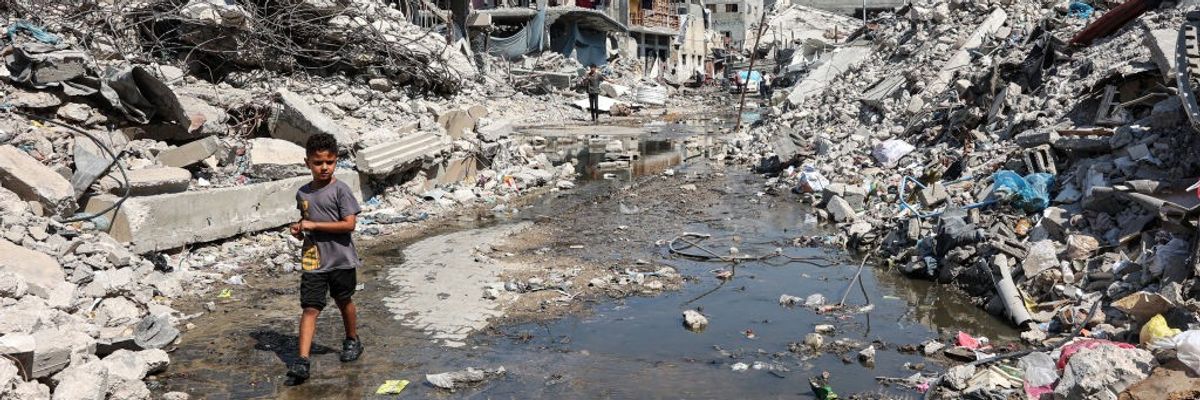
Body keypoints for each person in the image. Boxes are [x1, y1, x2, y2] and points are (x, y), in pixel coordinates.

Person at [286, 133, 364, 385]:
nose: (324, 167)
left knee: (343, 300)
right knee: (310, 307)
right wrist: (300, 229)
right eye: (318, 162)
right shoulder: (303, 193)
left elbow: (349, 224)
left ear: (336, 161)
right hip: (313, 259)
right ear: (307, 162)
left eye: (329, 162)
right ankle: (302, 360)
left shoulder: (341, 190)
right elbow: (308, 222)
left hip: (341, 259)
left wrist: (314, 225)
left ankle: (352, 339)